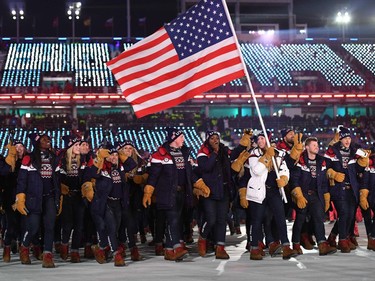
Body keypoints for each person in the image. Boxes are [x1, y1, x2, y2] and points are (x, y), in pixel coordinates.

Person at [241, 130, 298, 260]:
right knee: (257, 220)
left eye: (262, 138)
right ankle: (254, 248)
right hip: (258, 191)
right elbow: (256, 171)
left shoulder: (279, 153)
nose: (260, 141)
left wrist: (284, 178)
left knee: (280, 218)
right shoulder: (253, 154)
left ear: (268, 139)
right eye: (258, 139)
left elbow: (284, 169)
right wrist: (267, 156)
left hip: (273, 191)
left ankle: (286, 246)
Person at [143, 127, 193, 261]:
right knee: (173, 220)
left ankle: (169, 250)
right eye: (181, 137)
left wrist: (197, 186)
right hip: (167, 193)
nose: (184, 140)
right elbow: (153, 175)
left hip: (182, 193)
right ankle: (176, 247)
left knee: (177, 220)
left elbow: (189, 173)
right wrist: (148, 192)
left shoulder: (184, 153)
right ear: (174, 138)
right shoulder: (160, 154)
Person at [82, 142, 137, 266]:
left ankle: (101, 247)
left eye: (116, 156)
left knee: (114, 228)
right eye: (111, 155)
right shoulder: (102, 169)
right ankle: (116, 254)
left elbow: (132, 164)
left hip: (118, 203)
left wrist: (120, 155)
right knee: (111, 228)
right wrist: (100, 158)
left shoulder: (120, 167)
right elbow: (91, 173)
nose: (114, 157)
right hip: (104, 203)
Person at [14, 133, 61, 268]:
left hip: (50, 197)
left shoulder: (54, 158)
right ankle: (24, 246)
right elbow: (22, 180)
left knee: (50, 227)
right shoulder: (28, 159)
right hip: (34, 198)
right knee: (33, 227)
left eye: (48, 139)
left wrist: (59, 197)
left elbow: (56, 180)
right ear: (37, 142)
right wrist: (20, 196)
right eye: (44, 139)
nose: (48, 141)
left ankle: (47, 255)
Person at [290, 137, 337, 255]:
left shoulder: (322, 161)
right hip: (303, 194)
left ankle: (322, 245)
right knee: (300, 220)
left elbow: (324, 182)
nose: (317, 147)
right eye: (314, 145)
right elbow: (294, 180)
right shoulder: (299, 160)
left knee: (318, 219)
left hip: (316, 195)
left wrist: (326, 198)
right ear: (307, 147)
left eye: (317, 145)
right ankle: (295, 244)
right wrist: (299, 196)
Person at [324, 127, 367, 252]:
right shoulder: (332, 151)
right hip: (338, 188)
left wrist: (363, 162)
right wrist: (333, 174)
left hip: (352, 188)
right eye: (345, 138)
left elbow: (357, 170)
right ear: (340, 139)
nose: (347, 140)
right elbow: (325, 167)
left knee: (350, 215)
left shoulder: (354, 151)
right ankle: (342, 240)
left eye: (349, 138)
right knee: (344, 213)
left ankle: (333, 237)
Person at [196, 130, 233, 259]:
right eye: (212, 138)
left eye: (217, 138)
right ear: (207, 140)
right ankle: (203, 238)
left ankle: (220, 247)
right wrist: (214, 154)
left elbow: (233, 157)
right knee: (210, 219)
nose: (215, 140)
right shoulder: (203, 152)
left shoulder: (224, 150)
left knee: (221, 220)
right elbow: (205, 167)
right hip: (209, 192)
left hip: (223, 191)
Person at [57, 135, 86, 262]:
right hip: (67, 196)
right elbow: (58, 177)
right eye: (76, 145)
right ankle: (64, 245)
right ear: (70, 147)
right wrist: (61, 186)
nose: (79, 147)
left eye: (79, 145)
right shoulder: (62, 161)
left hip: (80, 196)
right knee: (67, 224)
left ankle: (75, 251)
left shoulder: (83, 160)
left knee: (79, 225)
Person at [0, 139, 28, 262]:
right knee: (11, 224)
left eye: (21, 146)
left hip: (25, 197)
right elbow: (4, 172)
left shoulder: (28, 160)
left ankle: (23, 248)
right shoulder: (7, 161)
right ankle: (6, 248)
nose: (19, 148)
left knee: (24, 224)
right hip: (9, 197)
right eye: (16, 146)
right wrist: (11, 158)